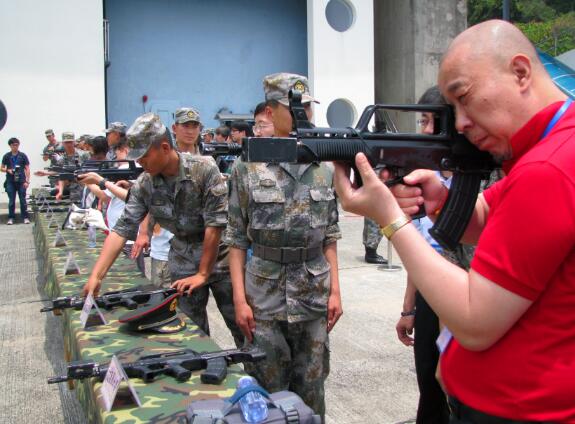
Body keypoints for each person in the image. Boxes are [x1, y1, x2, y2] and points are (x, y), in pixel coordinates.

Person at [333, 20, 575, 423]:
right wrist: (442, 201)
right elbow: (488, 212)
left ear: (520, 72)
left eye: (464, 98)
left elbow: (474, 320)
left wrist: (390, 218)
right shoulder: (553, 146)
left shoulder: (548, 168)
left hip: (521, 411)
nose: (460, 123)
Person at [225, 72, 343, 420]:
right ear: (275, 111)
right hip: (263, 296)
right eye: (299, 107)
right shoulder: (246, 165)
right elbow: (235, 237)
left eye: (309, 106)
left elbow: (331, 235)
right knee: (269, 387)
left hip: (313, 293)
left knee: (312, 387)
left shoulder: (323, 164)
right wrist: (239, 300)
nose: (307, 114)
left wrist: (336, 290)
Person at [82, 113, 243, 347]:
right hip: (182, 259)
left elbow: (214, 225)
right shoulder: (146, 184)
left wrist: (203, 273)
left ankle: (255, 378)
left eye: (144, 157)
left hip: (220, 256)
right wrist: (97, 276)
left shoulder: (204, 170)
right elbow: (122, 229)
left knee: (240, 324)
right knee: (190, 331)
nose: (140, 163)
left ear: (165, 148)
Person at [1, 138, 30, 225]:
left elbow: (27, 168)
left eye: (17, 145)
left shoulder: (23, 155)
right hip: (10, 181)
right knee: (11, 200)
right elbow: (1, 168)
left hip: (21, 180)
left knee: (22, 200)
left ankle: (25, 217)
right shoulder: (6, 156)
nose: (15, 147)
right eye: (13, 145)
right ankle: (11, 218)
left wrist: (27, 181)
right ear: (10, 146)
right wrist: (7, 170)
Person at [54, 132, 90, 202]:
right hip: (72, 191)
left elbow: (90, 171)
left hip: (85, 188)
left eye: (70, 142)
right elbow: (61, 175)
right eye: (66, 142)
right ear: (63, 143)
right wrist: (60, 192)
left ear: (74, 142)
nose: (69, 145)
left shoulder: (84, 155)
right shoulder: (62, 159)